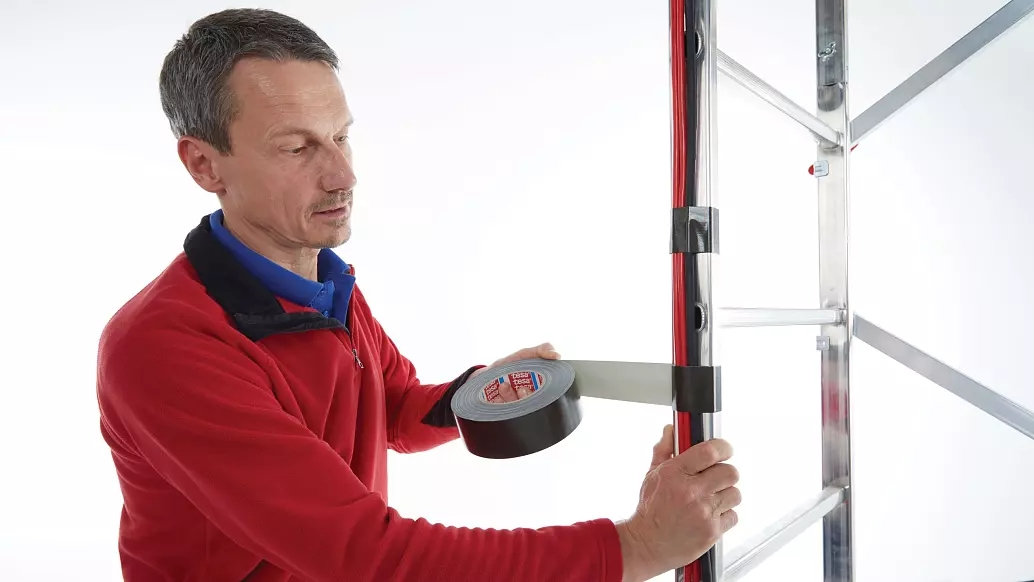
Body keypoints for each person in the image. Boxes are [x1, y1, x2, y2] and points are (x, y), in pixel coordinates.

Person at [95, 8, 741, 582]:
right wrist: (635, 548)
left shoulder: (323, 282)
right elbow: (368, 556)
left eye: (341, 136)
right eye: (297, 147)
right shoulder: (163, 348)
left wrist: (482, 391)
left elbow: (395, 409)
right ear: (204, 165)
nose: (343, 174)